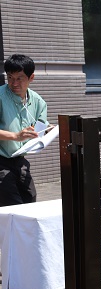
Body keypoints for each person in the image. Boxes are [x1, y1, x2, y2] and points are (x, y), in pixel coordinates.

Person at [0, 54, 49, 206]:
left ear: (31, 77)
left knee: (31, 201)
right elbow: (18, 135)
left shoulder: (38, 101)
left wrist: (46, 130)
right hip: (1, 161)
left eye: (19, 78)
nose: (14, 83)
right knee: (12, 207)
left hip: (21, 161)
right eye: (10, 78)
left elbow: (39, 128)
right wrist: (15, 135)